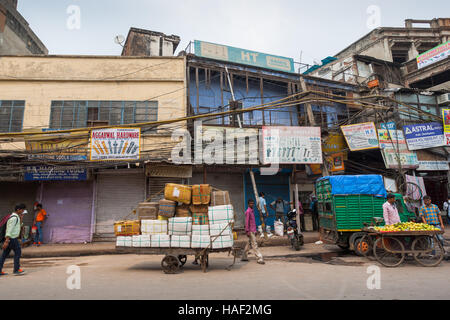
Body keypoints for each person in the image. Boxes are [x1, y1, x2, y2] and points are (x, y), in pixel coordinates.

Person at [0, 204, 27, 276]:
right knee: (18, 252)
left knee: (4, 255)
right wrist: (7, 240)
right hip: (12, 239)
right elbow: (9, 229)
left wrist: (21, 218)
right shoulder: (14, 218)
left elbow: (18, 226)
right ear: (18, 210)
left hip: (11, 239)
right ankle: (16, 269)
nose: (23, 211)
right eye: (22, 210)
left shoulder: (16, 217)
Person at [241, 199, 265, 265]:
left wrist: (255, 230)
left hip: (253, 230)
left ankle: (244, 256)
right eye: (250, 203)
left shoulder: (252, 211)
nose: (252, 204)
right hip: (250, 231)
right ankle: (259, 258)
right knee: (254, 244)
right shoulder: (248, 211)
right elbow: (247, 222)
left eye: (252, 203)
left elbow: (253, 222)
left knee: (249, 244)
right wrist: (247, 231)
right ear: (248, 204)